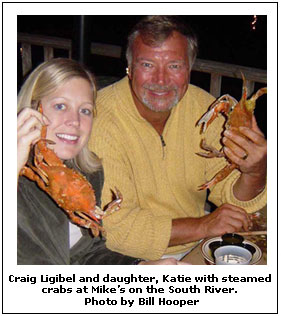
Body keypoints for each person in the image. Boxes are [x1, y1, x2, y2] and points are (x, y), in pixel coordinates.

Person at [88, 16, 267, 261]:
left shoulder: (205, 108)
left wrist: (255, 171)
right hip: (126, 259)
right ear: (129, 68)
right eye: (147, 65)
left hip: (198, 246)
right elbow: (116, 228)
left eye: (174, 66)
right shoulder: (98, 119)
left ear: (189, 69)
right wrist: (204, 225)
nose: (160, 80)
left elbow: (235, 201)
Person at [17, 58, 189, 265]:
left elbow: (86, 253)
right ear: (33, 109)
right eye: (60, 106)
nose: (75, 121)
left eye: (85, 110)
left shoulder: (89, 173)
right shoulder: (17, 174)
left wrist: (139, 268)